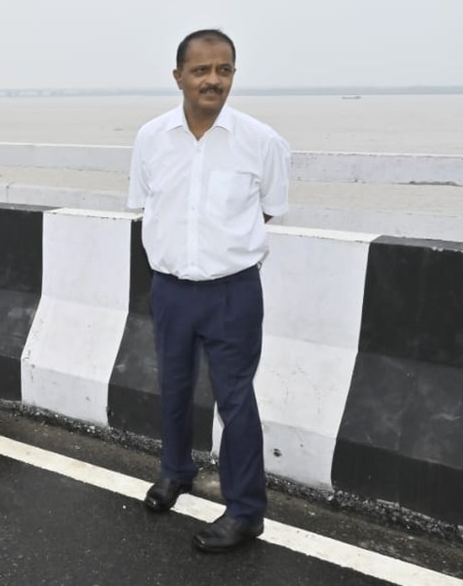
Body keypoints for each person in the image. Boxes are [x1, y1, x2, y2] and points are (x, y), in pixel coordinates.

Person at [127, 29, 290, 553]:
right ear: (178, 76)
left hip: (233, 292)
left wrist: (221, 254)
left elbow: (268, 207)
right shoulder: (151, 138)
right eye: (201, 70)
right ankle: (175, 472)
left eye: (223, 70)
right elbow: (144, 205)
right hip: (171, 289)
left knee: (235, 400)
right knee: (173, 386)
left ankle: (246, 511)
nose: (212, 80)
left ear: (233, 75)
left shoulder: (261, 141)